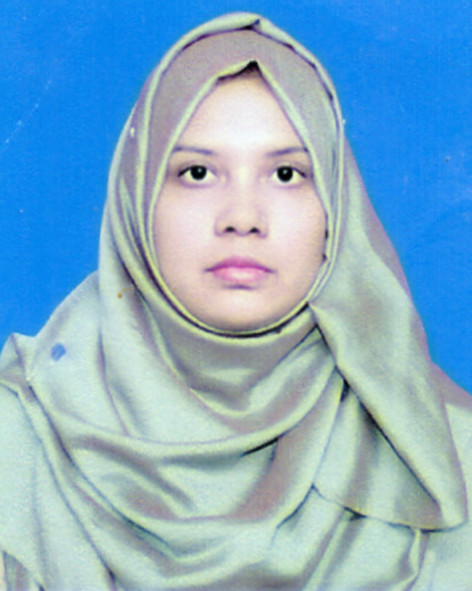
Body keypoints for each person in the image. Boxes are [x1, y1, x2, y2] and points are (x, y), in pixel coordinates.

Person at [0, 11, 471, 591]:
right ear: (136, 197)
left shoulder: (448, 455)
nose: (242, 218)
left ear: (337, 206)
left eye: (287, 174)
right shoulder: (16, 442)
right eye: (197, 172)